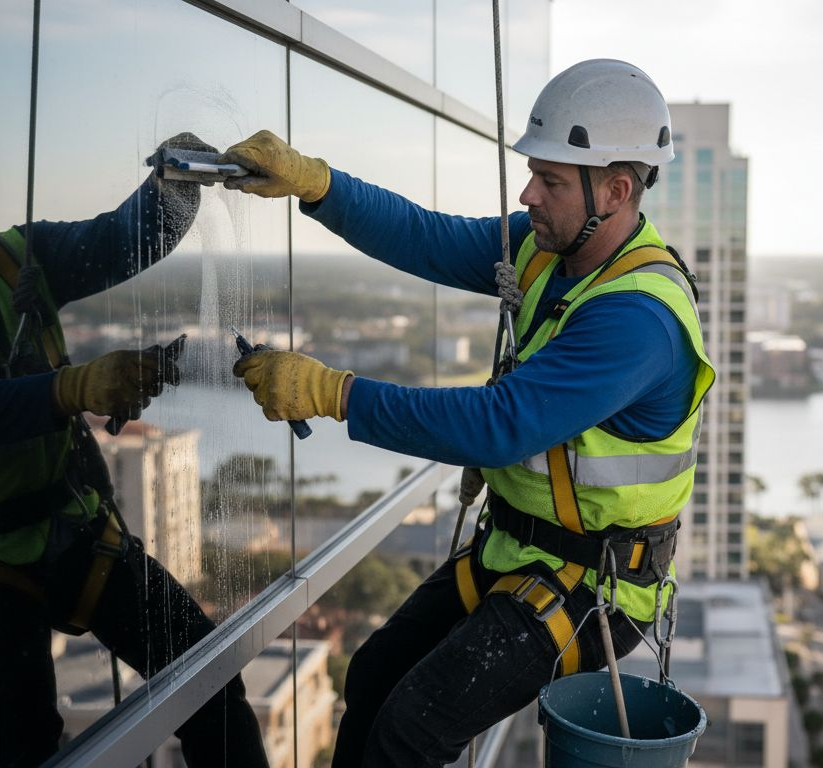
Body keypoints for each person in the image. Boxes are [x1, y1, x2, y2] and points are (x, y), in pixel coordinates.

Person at [220, 59, 714, 767]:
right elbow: (428, 237)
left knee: (412, 730)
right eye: (533, 175)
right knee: (373, 675)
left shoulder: (638, 319)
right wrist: (317, 183)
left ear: (616, 190)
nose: (528, 194)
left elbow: (498, 424)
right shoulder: (553, 254)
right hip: (520, 551)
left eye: (549, 181)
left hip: (592, 586)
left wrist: (334, 393)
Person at [0, 85, 269, 768]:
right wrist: (74, 386)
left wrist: (173, 187)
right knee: (24, 738)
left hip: (72, 528)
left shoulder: (16, 260)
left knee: (210, 676)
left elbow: (119, 242)